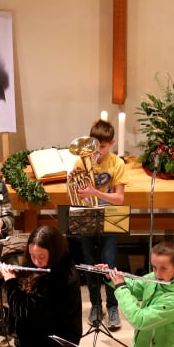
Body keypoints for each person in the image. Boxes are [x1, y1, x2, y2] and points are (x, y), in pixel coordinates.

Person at [69, 119, 128, 330]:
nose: (97, 151)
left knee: (109, 263)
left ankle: (113, 306)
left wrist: (95, 192)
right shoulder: (80, 162)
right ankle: (96, 305)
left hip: (111, 217)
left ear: (111, 143)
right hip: (87, 217)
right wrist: (74, 184)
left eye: (102, 147)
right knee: (90, 263)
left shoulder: (117, 164)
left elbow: (119, 199)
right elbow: (77, 196)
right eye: (94, 145)